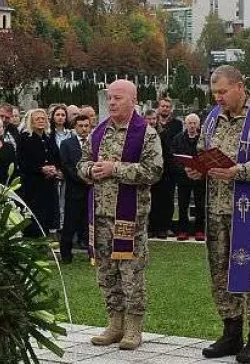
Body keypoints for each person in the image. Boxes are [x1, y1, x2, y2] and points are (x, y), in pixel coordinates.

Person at [189, 67, 250, 363]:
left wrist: (241, 171)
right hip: (217, 206)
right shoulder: (213, 116)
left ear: (239, 87)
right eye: (214, 93)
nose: (218, 98)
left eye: (222, 92)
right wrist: (196, 168)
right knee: (219, 270)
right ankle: (231, 331)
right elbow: (202, 150)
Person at [77, 79, 163, 350]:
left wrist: (116, 169)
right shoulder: (98, 132)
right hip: (100, 214)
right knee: (106, 272)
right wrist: (91, 170)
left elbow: (154, 171)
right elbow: (81, 164)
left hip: (129, 217)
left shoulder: (146, 133)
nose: (112, 102)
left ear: (133, 100)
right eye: (110, 98)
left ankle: (134, 328)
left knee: (131, 272)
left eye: (118, 98)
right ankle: (114, 323)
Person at [16, 108, 62, 236]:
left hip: (49, 182)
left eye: (43, 119)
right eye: (38, 119)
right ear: (31, 121)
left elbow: (57, 156)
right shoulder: (24, 138)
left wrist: (55, 168)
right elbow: (22, 161)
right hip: (33, 184)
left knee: (49, 212)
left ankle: (48, 237)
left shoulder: (49, 137)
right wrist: (40, 169)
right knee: (35, 213)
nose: (41, 121)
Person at [58, 113, 92, 262]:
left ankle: (92, 251)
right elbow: (66, 166)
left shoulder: (95, 142)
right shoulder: (67, 144)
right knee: (70, 222)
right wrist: (82, 179)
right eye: (81, 126)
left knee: (91, 221)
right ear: (75, 127)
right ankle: (66, 253)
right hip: (74, 189)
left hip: (92, 189)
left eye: (86, 126)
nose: (84, 129)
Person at [149, 96, 182, 239]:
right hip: (153, 165)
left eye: (167, 107)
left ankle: (165, 226)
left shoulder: (176, 124)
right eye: (162, 106)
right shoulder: (152, 124)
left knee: (167, 198)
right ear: (158, 107)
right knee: (153, 197)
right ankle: (152, 226)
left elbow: (174, 142)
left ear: (171, 109)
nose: (165, 109)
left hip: (169, 166)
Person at [170, 113, 206, 240]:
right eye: (189, 123)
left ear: (199, 124)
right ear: (185, 124)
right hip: (183, 177)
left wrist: (200, 171)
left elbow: (207, 157)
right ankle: (182, 230)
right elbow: (173, 158)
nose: (192, 126)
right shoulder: (178, 139)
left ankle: (200, 230)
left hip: (200, 177)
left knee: (200, 204)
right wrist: (183, 169)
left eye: (194, 123)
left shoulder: (204, 139)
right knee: (182, 204)